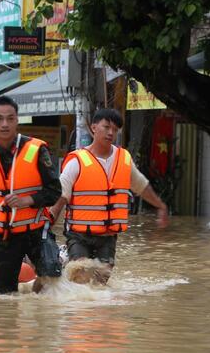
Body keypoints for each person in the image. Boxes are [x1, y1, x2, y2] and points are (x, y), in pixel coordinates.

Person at [50, 108, 168, 284]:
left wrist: (160, 206)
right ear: (93, 128)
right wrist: (47, 224)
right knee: (81, 276)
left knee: (101, 281)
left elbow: (141, 186)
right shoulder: (77, 161)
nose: (111, 132)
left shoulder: (123, 159)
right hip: (79, 234)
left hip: (108, 236)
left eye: (115, 129)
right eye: (106, 127)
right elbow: (61, 197)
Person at [0, 95, 62, 294]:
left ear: (17, 120)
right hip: (1, 237)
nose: (5, 124)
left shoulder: (37, 150)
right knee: (2, 296)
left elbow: (55, 191)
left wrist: (26, 201)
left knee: (52, 281)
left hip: (35, 232)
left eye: (10, 118)